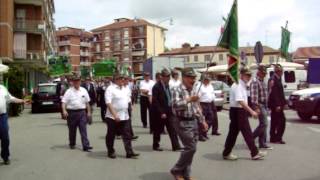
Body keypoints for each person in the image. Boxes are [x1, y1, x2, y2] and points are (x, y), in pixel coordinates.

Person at [170, 67, 208, 180]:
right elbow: (175, 105)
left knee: (191, 149)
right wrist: (189, 99)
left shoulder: (193, 89)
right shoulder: (176, 89)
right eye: (191, 77)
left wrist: (203, 121)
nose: (193, 80)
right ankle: (176, 170)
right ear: (184, 77)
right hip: (181, 121)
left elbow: (196, 107)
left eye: (194, 77)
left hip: (193, 121)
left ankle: (185, 174)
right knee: (191, 148)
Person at [222, 67, 267, 161]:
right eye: (247, 75)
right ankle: (254, 153)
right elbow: (240, 101)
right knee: (247, 132)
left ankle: (226, 152)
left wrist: (254, 107)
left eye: (250, 75)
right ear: (241, 75)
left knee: (233, 133)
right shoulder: (238, 85)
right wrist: (251, 111)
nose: (249, 77)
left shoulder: (242, 85)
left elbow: (246, 99)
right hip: (238, 111)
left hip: (237, 111)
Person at [105, 73, 140, 159]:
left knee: (127, 134)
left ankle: (129, 152)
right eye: (120, 79)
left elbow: (128, 100)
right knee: (111, 134)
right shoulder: (110, 89)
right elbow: (108, 103)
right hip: (112, 116)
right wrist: (115, 115)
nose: (122, 80)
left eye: (123, 79)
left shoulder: (125, 88)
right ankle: (111, 151)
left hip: (124, 115)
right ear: (115, 80)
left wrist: (130, 107)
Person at [152, 68, 181, 152]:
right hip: (160, 112)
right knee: (158, 129)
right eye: (166, 76)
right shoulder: (156, 87)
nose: (168, 78)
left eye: (169, 76)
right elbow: (155, 101)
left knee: (172, 129)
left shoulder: (167, 85)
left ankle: (176, 146)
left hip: (169, 110)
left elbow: (169, 97)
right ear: (162, 77)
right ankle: (155, 145)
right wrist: (161, 112)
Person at [61, 74, 93, 152]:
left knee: (83, 129)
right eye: (75, 81)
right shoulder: (69, 91)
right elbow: (63, 102)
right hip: (71, 113)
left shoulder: (84, 90)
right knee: (72, 130)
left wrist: (89, 112)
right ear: (73, 82)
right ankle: (72, 143)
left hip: (82, 112)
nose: (76, 82)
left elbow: (87, 103)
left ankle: (86, 145)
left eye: (78, 81)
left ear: (80, 81)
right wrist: (64, 111)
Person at [0, 84, 28, 165]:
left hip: (2, 116)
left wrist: (22, 101)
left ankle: (5, 156)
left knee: (5, 138)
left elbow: (10, 98)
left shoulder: (2, 88)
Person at [250, 65, 273, 150]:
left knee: (264, 124)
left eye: (265, 73)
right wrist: (256, 107)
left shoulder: (262, 81)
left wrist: (270, 87)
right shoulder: (255, 81)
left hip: (264, 104)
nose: (264, 74)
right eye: (263, 73)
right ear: (258, 72)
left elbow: (266, 94)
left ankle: (262, 143)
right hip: (259, 104)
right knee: (264, 124)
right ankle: (251, 138)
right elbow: (254, 96)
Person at [196, 73, 220, 142]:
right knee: (201, 120)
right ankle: (200, 135)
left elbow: (212, 94)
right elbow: (197, 98)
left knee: (211, 118)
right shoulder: (199, 87)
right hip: (202, 104)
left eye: (208, 80)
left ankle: (204, 132)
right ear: (203, 80)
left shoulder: (210, 86)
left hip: (210, 103)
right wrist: (199, 107)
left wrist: (213, 102)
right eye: (206, 80)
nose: (208, 81)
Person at [268, 64, 287, 144]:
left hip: (278, 105)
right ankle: (277, 138)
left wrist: (285, 103)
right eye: (280, 71)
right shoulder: (273, 79)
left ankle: (273, 138)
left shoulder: (278, 79)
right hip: (276, 105)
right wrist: (277, 105)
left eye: (281, 71)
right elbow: (274, 94)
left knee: (275, 121)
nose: (281, 72)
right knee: (281, 121)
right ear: (278, 72)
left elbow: (281, 93)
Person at [123, 75, 138, 140]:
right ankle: (119, 133)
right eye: (126, 80)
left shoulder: (127, 88)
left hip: (128, 105)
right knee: (123, 121)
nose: (127, 81)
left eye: (128, 80)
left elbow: (129, 97)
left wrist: (131, 105)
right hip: (123, 106)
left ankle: (130, 135)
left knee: (128, 120)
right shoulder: (120, 88)